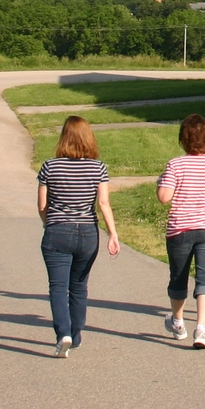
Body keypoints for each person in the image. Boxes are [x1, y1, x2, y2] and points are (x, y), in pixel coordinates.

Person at [37, 116, 120, 359]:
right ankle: (77, 333)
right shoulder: (98, 167)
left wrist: (49, 224)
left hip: (57, 231)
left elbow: (43, 204)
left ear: (63, 137)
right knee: (79, 286)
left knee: (58, 287)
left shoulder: (50, 166)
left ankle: (63, 333)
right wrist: (113, 234)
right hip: (87, 232)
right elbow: (103, 202)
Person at [156, 114, 205, 350]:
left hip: (181, 229)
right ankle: (202, 328)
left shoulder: (176, 164)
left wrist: (161, 182)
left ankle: (177, 322)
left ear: (183, 140)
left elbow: (164, 198)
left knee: (179, 277)